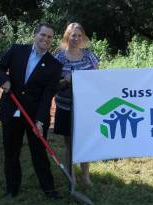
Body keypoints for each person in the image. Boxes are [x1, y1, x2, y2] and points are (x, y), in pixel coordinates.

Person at [0, 23, 62, 199]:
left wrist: (40, 121)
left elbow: (47, 96)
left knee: (39, 153)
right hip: (11, 111)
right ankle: (12, 189)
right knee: (11, 153)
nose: (45, 39)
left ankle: (49, 190)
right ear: (35, 35)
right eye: (43, 35)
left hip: (34, 116)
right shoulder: (17, 50)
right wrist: (4, 80)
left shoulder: (54, 65)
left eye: (49, 37)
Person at [54, 22, 99, 186]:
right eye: (73, 35)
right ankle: (71, 175)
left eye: (79, 35)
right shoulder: (58, 57)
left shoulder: (89, 56)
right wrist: (65, 81)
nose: (76, 38)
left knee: (85, 141)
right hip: (66, 106)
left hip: (86, 107)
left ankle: (85, 176)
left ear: (83, 37)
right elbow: (52, 84)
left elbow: (98, 79)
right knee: (69, 142)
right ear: (67, 36)